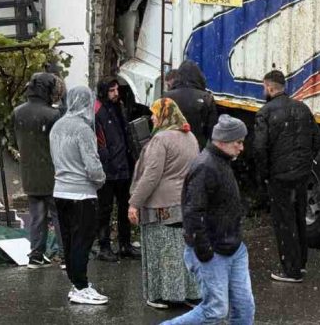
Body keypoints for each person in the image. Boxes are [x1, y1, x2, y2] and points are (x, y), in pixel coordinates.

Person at [161, 115, 254, 325]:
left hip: (233, 248)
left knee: (244, 307)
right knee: (215, 310)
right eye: (238, 142)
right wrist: (204, 251)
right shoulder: (205, 166)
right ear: (222, 141)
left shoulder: (222, 161)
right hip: (213, 251)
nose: (241, 148)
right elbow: (193, 212)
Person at [128, 97, 200, 310]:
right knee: (182, 249)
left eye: (154, 113)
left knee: (161, 251)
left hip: (160, 205)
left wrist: (134, 203)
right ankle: (191, 293)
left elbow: (151, 176)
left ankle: (162, 295)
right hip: (184, 203)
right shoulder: (190, 137)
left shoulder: (160, 140)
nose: (151, 117)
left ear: (164, 114)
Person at [253, 69, 320, 283]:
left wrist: (264, 175)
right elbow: (317, 141)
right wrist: (304, 162)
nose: (264, 91)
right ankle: (300, 264)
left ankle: (290, 270)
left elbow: (259, 149)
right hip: (301, 175)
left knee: (284, 222)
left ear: (270, 87)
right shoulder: (302, 109)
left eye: (264, 87)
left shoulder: (265, 113)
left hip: (279, 177)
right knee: (298, 217)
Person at [50, 86, 109, 305]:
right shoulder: (83, 129)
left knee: (69, 240)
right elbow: (92, 165)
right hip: (82, 193)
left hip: (60, 191)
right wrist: (101, 179)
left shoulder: (57, 126)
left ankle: (76, 284)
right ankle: (81, 287)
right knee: (82, 242)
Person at [13, 72, 64, 269]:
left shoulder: (18, 112)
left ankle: (35, 255)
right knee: (59, 216)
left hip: (29, 173)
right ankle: (65, 256)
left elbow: (13, 141)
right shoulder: (53, 115)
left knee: (37, 216)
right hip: (52, 173)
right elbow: (59, 144)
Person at [94, 77, 136, 262]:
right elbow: (99, 141)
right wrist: (106, 161)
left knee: (124, 206)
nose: (116, 93)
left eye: (117, 90)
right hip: (108, 169)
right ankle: (104, 246)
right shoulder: (98, 110)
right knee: (105, 209)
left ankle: (125, 244)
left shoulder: (118, 107)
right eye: (112, 90)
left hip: (122, 166)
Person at [164, 61, 218, 149]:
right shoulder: (206, 98)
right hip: (196, 148)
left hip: (171, 148)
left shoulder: (166, 97)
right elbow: (212, 131)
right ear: (199, 77)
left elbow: (159, 126)